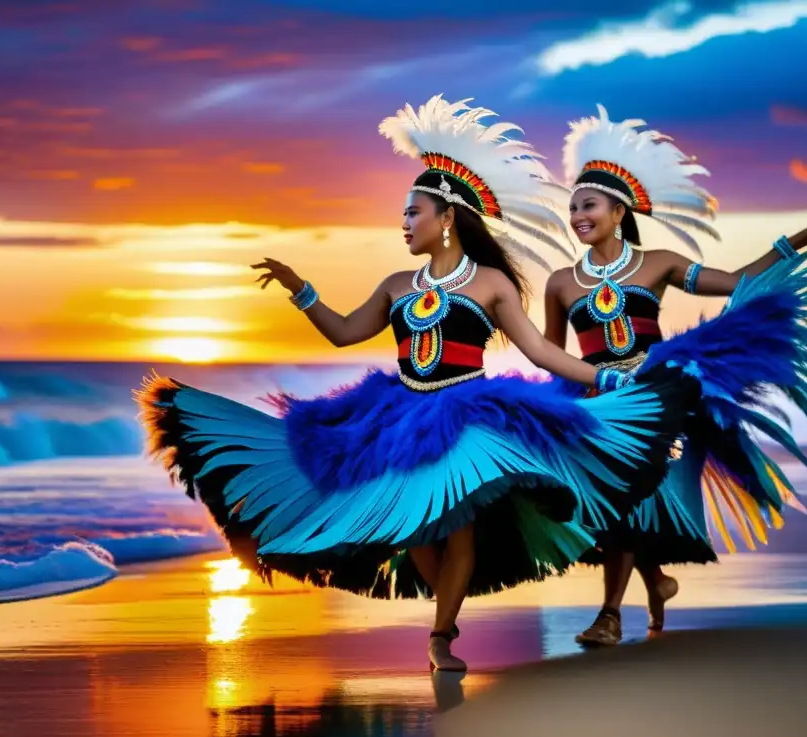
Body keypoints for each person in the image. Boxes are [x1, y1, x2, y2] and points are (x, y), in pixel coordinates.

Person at [135, 96, 698, 673]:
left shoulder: (491, 283)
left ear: (446, 217)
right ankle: (446, 611)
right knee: (418, 532)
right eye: (403, 215)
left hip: (469, 416)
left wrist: (604, 375)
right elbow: (345, 334)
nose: (403, 224)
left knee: (460, 529)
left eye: (413, 213)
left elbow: (541, 350)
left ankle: (441, 636)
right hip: (399, 416)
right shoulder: (396, 283)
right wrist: (303, 292)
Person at [543, 105, 807, 645]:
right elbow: (548, 352)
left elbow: (731, 282)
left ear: (618, 211)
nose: (577, 215)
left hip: (656, 398)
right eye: (572, 208)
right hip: (593, 402)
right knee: (617, 500)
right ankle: (655, 581)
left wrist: (788, 245)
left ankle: (609, 616)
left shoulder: (657, 263)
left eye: (588, 205)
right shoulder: (560, 282)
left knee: (625, 496)